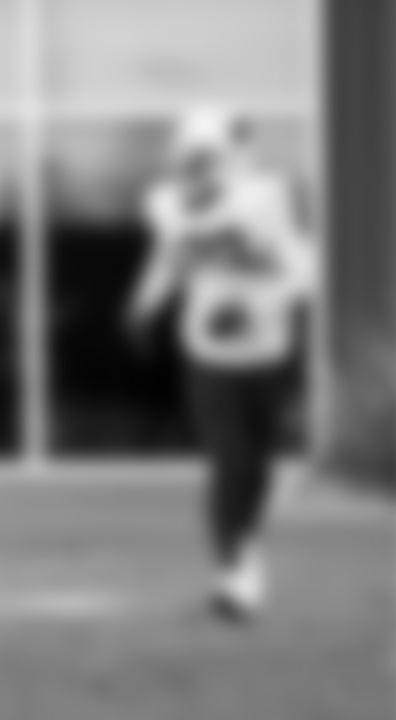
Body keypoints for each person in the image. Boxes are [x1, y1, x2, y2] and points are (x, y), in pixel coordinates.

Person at [125, 105, 317, 622]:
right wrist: (144, 305)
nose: (194, 170)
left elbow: (306, 271)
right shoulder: (165, 204)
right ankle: (237, 574)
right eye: (186, 160)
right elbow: (170, 257)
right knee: (229, 459)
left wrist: (257, 307)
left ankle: (242, 559)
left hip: (267, 350)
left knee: (257, 466)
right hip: (206, 349)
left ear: (229, 161)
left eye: (205, 159)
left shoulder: (263, 200)